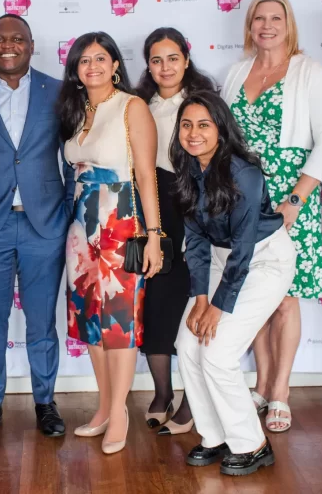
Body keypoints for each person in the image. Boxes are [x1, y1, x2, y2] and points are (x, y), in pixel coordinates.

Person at [0, 14, 74, 439]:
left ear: (31, 43)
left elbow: (75, 155)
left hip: (45, 225)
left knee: (43, 322)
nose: (8, 45)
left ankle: (45, 402)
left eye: (17, 38)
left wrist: (71, 212)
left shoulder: (60, 93)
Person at [222, 0, 322, 433]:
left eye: (275, 19)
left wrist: (295, 201)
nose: (266, 26)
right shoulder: (234, 73)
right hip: (242, 198)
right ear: (249, 27)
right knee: (255, 296)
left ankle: (281, 391)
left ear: (288, 26)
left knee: (285, 297)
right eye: (258, 19)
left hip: (292, 196)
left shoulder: (310, 71)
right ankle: (263, 385)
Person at [172, 91, 296, 476]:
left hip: (263, 260)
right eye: (186, 125)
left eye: (203, 125)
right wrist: (199, 298)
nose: (193, 134)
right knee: (187, 344)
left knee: (219, 352)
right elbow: (194, 239)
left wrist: (218, 306)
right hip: (222, 259)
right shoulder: (189, 167)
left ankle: (253, 444)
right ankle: (216, 435)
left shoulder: (243, 172)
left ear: (221, 130)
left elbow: (242, 249)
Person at [59, 32, 162, 454]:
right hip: (81, 225)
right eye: (84, 60)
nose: (93, 66)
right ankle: (103, 408)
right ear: (76, 70)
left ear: (115, 64)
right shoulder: (75, 110)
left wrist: (154, 236)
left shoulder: (131, 107)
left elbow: (145, 176)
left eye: (101, 58)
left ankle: (119, 412)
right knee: (90, 323)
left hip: (121, 220)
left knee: (119, 322)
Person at [135, 27, 217, 436]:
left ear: (186, 59)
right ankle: (163, 392)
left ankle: (192, 401)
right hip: (154, 206)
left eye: (172, 58)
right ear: (147, 65)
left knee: (195, 301)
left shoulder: (204, 103)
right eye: (156, 59)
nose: (165, 67)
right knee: (157, 303)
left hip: (196, 202)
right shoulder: (138, 104)